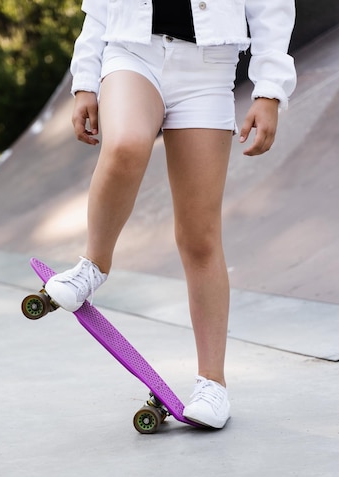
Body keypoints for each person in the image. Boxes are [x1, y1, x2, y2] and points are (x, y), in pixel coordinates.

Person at [45, 0, 297, 429]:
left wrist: (269, 90)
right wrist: (85, 81)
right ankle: (93, 266)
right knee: (124, 145)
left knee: (199, 236)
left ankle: (212, 385)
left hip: (209, 69)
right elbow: (99, 8)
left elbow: (272, 7)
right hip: (132, 53)